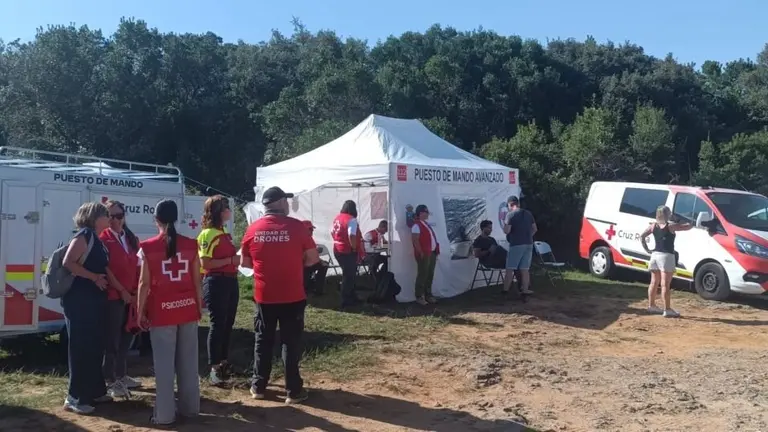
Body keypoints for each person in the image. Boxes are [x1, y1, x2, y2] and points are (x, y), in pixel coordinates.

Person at [241, 186, 319, 404]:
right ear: (281, 203)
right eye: (286, 200)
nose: (288, 204)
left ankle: (258, 386)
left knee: (262, 340)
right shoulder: (297, 227)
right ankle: (293, 391)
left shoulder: (252, 229)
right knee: (290, 342)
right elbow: (313, 259)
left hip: (264, 295)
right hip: (292, 294)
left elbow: (245, 263)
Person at [136, 200, 202, 426]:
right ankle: (191, 409)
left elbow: (144, 284)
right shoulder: (191, 245)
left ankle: (164, 416)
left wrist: (139, 311)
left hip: (162, 312)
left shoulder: (147, 247)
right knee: (189, 364)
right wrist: (198, 307)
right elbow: (197, 282)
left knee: (164, 367)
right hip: (188, 309)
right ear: (175, 219)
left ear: (156, 220)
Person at [62, 202, 111, 415]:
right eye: (106, 215)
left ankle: (94, 391)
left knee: (94, 346)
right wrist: (93, 278)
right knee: (81, 348)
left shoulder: (97, 239)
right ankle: (75, 397)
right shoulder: (84, 235)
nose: (109, 218)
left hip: (94, 300)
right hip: (79, 300)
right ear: (94, 217)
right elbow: (68, 262)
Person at [100, 200, 141, 398]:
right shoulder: (103, 239)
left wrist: (135, 293)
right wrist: (122, 290)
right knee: (112, 340)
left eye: (119, 216)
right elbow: (105, 269)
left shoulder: (131, 238)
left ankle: (122, 375)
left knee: (128, 336)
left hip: (131, 296)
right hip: (113, 297)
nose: (115, 220)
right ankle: (109, 380)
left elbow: (138, 265)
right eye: (111, 216)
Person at [197, 195, 239, 385]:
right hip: (215, 282)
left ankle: (223, 363)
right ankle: (214, 368)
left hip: (230, 281)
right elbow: (205, 263)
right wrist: (231, 261)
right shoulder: (208, 234)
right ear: (220, 212)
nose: (230, 210)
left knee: (228, 323)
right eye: (226, 207)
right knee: (217, 324)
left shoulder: (223, 232)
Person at [640, 205, 692, 318]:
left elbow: (642, 236)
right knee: (665, 284)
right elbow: (688, 227)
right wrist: (681, 218)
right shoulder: (670, 226)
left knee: (653, 282)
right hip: (666, 256)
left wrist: (647, 249)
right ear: (667, 214)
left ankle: (651, 305)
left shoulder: (653, 226)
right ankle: (667, 309)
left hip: (654, 255)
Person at [331, 200, 364, 308]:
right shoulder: (351, 219)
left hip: (337, 249)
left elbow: (332, 232)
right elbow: (352, 235)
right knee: (348, 276)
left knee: (349, 275)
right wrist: (354, 247)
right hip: (347, 250)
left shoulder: (338, 218)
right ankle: (346, 301)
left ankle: (351, 296)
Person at [503, 196, 537, 296]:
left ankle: (505, 290)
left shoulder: (510, 214)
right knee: (525, 269)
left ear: (510, 204)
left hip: (516, 244)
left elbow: (507, 231)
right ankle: (525, 290)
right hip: (529, 243)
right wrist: (527, 236)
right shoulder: (528, 213)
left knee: (510, 268)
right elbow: (535, 229)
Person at [411, 204, 439, 305]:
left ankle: (428, 294)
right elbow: (415, 240)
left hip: (431, 252)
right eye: (426, 212)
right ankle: (419, 296)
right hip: (424, 253)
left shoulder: (426, 224)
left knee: (430, 274)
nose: (427, 214)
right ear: (421, 213)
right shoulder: (416, 225)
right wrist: (420, 252)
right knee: (422, 274)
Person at [302, 221, 328, 295]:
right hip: (303, 263)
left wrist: (319, 258)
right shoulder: (301, 239)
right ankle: (311, 288)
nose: (312, 231)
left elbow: (312, 252)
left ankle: (317, 288)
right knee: (310, 269)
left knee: (324, 265)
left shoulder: (310, 238)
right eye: (310, 229)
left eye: (312, 229)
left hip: (310, 262)